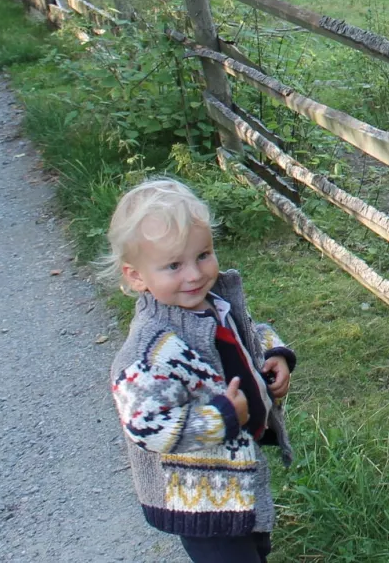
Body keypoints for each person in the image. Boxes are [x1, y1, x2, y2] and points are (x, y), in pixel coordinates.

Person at [101, 178, 295, 563]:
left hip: (238, 477)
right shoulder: (148, 350)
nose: (194, 274)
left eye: (203, 255)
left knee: (256, 548)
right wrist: (221, 418)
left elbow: (248, 332)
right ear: (136, 276)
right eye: (173, 265)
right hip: (201, 497)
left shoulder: (214, 303)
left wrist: (275, 354)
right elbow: (147, 424)